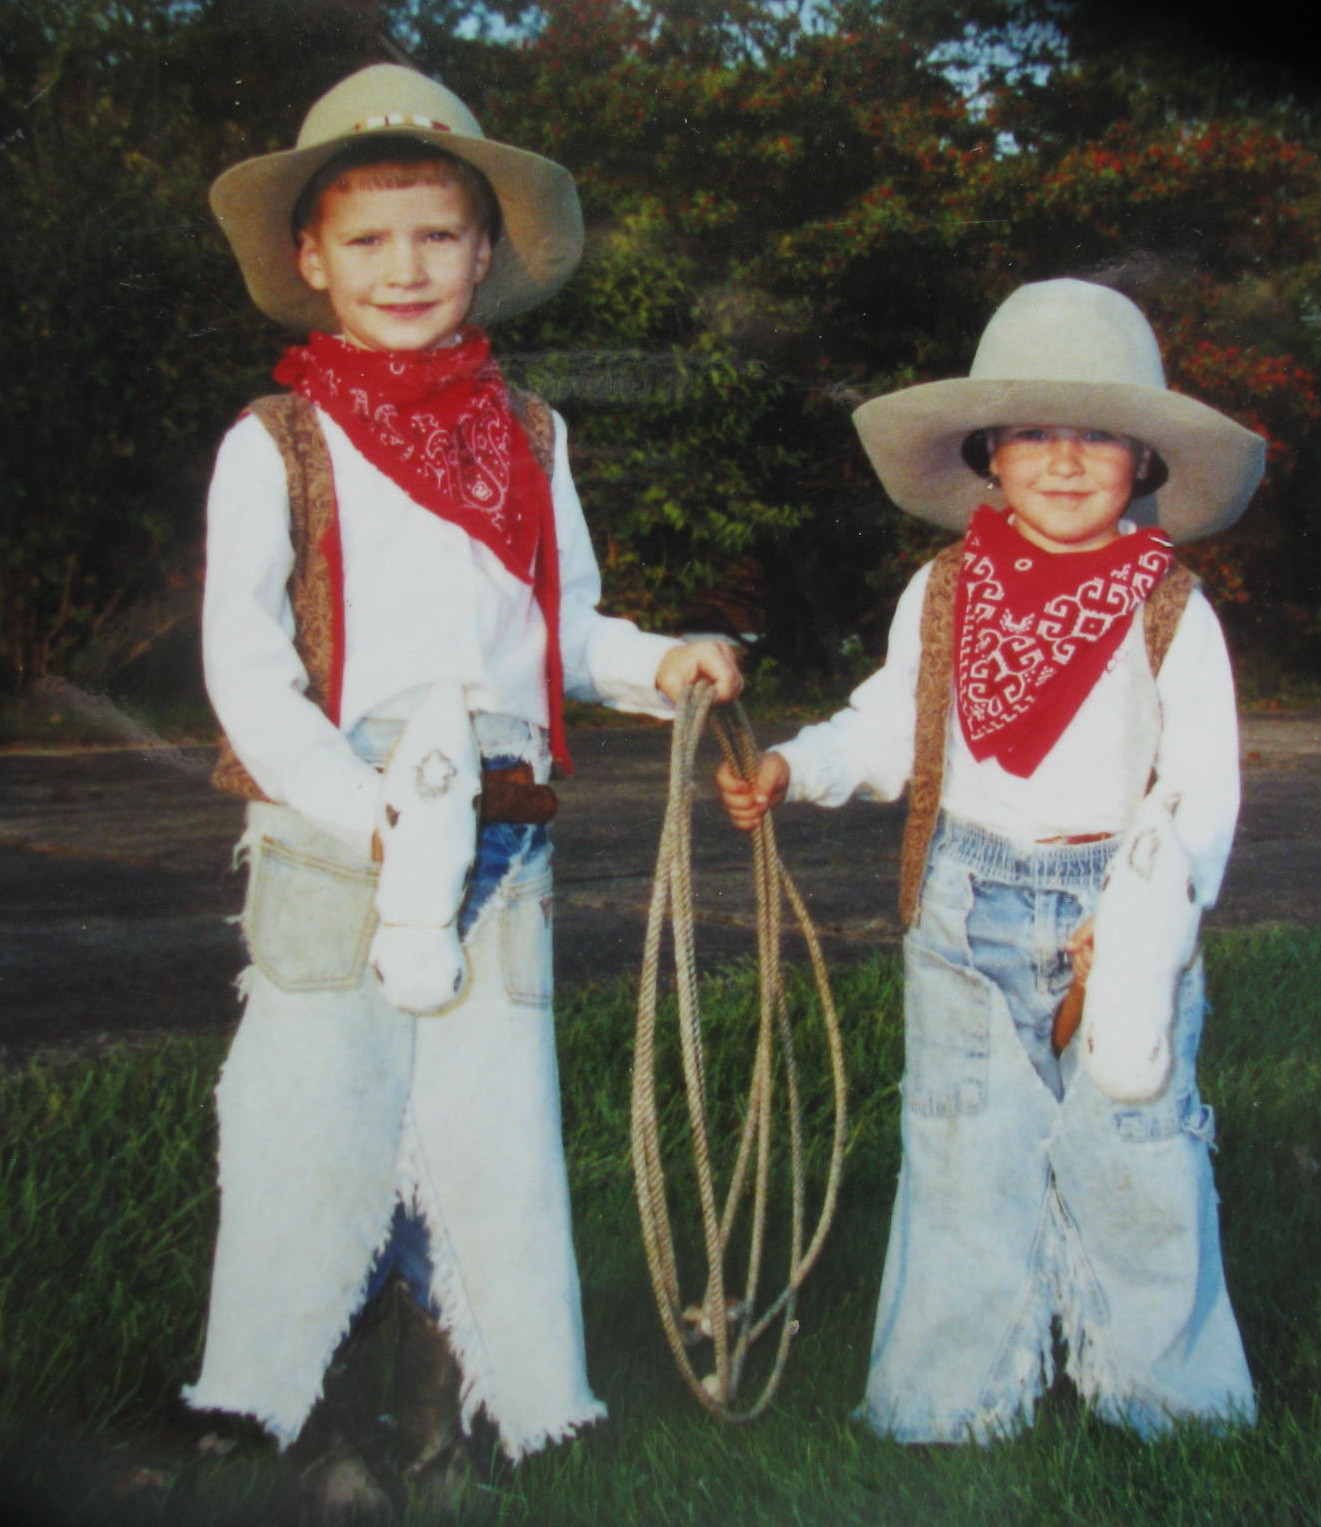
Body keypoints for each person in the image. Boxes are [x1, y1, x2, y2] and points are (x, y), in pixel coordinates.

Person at [183, 63, 740, 1513]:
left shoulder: (531, 434)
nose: (405, 269)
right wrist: (349, 803)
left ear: (485, 251)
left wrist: (658, 661)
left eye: (436, 235)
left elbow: (560, 628)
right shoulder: (276, 439)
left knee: (481, 1128)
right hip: (340, 817)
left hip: (504, 819)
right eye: (367, 242)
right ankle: (280, 1416)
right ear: (310, 262)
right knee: (319, 1109)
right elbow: (246, 660)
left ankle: (466, 1407)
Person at [717, 278, 1261, 1443]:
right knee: (963, 1146)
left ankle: (1171, 1399)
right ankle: (947, 1401)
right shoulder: (945, 590)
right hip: (965, 902)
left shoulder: (1167, 605)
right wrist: (790, 767)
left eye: (1097, 438)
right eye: (1032, 436)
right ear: (987, 457)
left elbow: (1199, 784)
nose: (1064, 463)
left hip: (1115, 907)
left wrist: (1137, 919)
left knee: (1136, 1139)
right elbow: (883, 725)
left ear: (1144, 462)